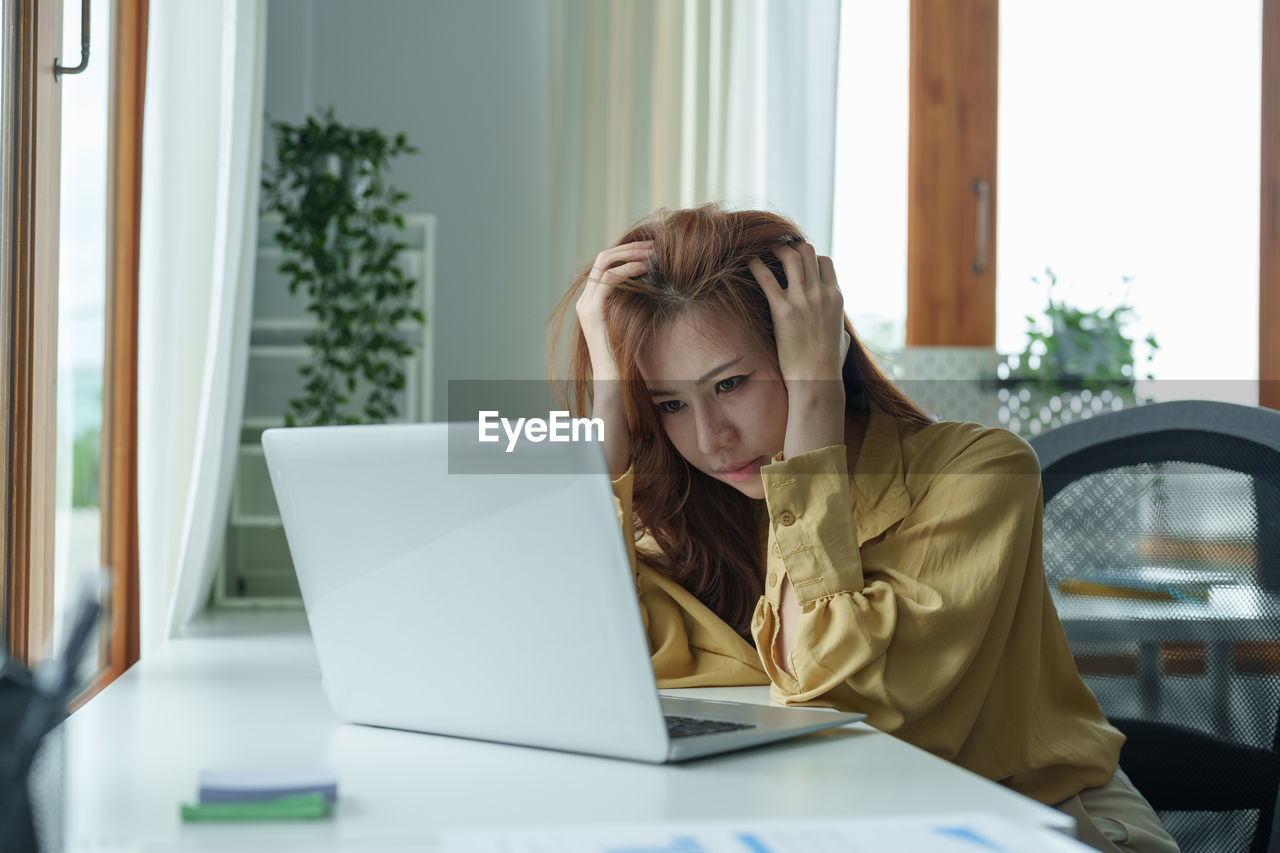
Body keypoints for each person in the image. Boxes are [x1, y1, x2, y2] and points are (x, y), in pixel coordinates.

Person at [548, 204, 1181, 853]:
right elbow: (581, 656)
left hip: (1041, 822)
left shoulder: (982, 473)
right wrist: (607, 395)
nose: (711, 438)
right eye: (671, 404)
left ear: (815, 349)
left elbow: (837, 703)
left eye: (731, 383)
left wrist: (814, 405)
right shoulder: (703, 517)